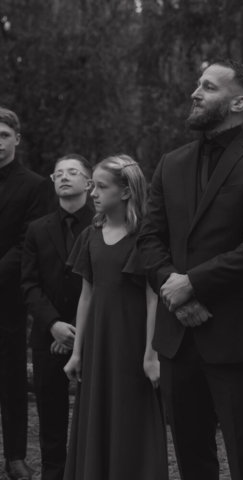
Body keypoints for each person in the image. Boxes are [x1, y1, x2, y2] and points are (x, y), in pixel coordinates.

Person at [137, 58, 243, 480]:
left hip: (235, 336)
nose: (194, 92)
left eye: (208, 86)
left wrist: (194, 285)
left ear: (238, 102)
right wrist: (175, 290)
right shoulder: (171, 163)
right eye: (196, 85)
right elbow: (149, 239)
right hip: (177, 338)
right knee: (191, 457)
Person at [63, 155, 168, 480]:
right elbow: (86, 296)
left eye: (101, 186)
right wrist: (78, 352)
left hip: (132, 341)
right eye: (92, 184)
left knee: (129, 417)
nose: (93, 192)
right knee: (97, 414)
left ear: (125, 192)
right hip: (97, 341)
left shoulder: (145, 238)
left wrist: (151, 356)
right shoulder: (91, 234)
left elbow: (154, 300)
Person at [21, 154, 94, 480]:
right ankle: (54, 474)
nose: (65, 177)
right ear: (52, 181)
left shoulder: (104, 224)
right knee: (50, 415)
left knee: (94, 413)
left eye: (73, 172)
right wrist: (53, 325)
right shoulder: (37, 229)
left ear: (89, 183)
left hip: (94, 334)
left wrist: (81, 331)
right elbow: (29, 284)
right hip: (47, 335)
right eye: (59, 173)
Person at [0, 107, 47, 480]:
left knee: (11, 378)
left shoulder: (33, 185)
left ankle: (14, 458)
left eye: (3, 135)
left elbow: (25, 243)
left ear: (17, 138)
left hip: (6, 299)